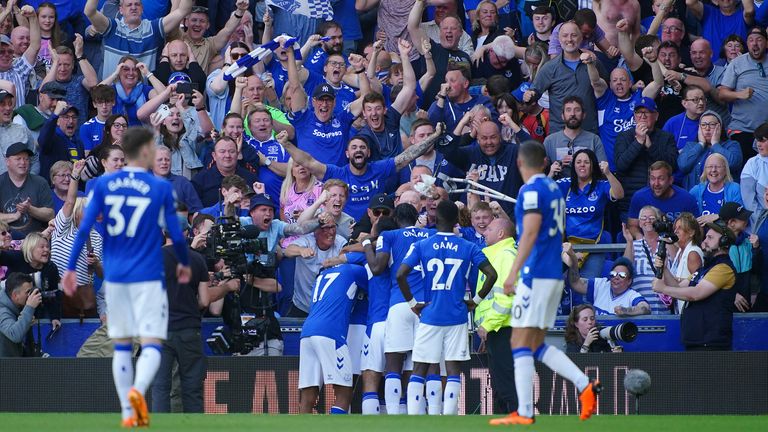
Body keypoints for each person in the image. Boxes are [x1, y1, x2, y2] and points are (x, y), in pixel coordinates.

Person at [62, 127, 191, 428]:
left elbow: (83, 230)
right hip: (147, 275)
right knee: (152, 346)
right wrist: (184, 262)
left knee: (121, 347)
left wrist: (70, 268)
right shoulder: (159, 187)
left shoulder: (104, 185)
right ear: (144, 152)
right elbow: (175, 232)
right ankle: (137, 391)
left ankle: (126, 409)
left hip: (117, 277)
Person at [490, 141, 600, 426]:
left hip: (535, 274)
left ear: (519, 164)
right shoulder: (555, 190)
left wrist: (513, 273)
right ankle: (583, 385)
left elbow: (529, 233)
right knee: (533, 343)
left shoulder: (530, 191)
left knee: (519, 342)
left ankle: (526, 412)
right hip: (553, 275)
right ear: (543, 163)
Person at [399, 200, 497, 415]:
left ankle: (414, 420)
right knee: (453, 369)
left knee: (420, 368)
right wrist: (476, 301)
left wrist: (413, 304)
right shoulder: (468, 246)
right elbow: (492, 274)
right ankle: (451, 419)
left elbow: (400, 274)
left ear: (437, 219)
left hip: (430, 314)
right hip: (457, 315)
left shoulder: (422, 245)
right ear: (455, 220)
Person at [278, 124, 444, 221]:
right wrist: (286, 145)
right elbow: (308, 161)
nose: (359, 150)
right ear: (347, 154)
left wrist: (434, 136)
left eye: (363, 148)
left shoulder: (379, 168)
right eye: (354, 148)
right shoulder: (337, 172)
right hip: (343, 227)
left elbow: (408, 155)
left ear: (369, 153)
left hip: (375, 225)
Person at [361, 203, 433, 415]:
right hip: (426, 306)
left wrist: (366, 243)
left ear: (395, 219)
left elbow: (377, 268)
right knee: (420, 364)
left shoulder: (390, 235)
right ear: (415, 217)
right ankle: (417, 415)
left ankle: (393, 416)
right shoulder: (429, 234)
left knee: (393, 363)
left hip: (400, 303)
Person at [150, 228, 210, 413]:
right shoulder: (197, 259)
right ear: (185, 233)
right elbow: (205, 301)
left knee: (160, 388)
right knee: (192, 389)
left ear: (162, 231)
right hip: (189, 329)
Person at [652, 221, 737, 350]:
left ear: (724, 243)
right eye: (706, 237)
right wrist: (664, 269)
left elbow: (695, 294)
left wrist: (662, 288)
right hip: (696, 339)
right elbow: (679, 287)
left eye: (710, 238)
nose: (705, 241)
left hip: (712, 342)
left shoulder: (723, 268)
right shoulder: (704, 269)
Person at [298, 262, 369, 414]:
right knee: (344, 390)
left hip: (307, 332)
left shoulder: (322, 274)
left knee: (308, 393)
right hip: (331, 332)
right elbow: (377, 286)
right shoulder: (354, 270)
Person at [523, 20, 606, 135]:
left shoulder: (594, 63)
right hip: (560, 134)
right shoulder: (549, 68)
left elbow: (606, 92)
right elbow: (535, 92)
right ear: (559, 39)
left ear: (581, 38)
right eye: (565, 35)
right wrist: (529, 95)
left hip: (588, 132)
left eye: (574, 35)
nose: (569, 39)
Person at [473, 217, 518, 414]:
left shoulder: (506, 255)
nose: (484, 232)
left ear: (501, 234)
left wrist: (488, 325)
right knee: (501, 386)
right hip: (498, 329)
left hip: (504, 329)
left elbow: (507, 297)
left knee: (506, 385)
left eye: (489, 228)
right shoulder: (497, 255)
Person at [556, 149, 624, 278]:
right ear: (574, 166)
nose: (582, 165)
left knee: (587, 288)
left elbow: (619, 194)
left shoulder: (601, 185)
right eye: (579, 162)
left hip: (594, 248)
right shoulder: (566, 184)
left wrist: (608, 173)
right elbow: (542, 190)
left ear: (593, 166)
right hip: (567, 246)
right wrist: (550, 173)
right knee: (559, 285)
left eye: (587, 162)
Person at [84, 0, 194, 78]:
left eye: (137, 4)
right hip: (111, 96)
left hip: (144, 96)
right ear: (121, 9)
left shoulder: (153, 28)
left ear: (142, 8)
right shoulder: (111, 27)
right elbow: (89, 11)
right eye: (129, 5)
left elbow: (183, 10)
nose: (133, 7)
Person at [615, 98, 678, 221]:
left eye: (647, 112)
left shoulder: (666, 137)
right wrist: (638, 142)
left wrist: (650, 147)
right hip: (630, 202)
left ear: (656, 115)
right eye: (639, 112)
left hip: (660, 203)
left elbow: (672, 165)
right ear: (634, 116)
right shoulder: (624, 136)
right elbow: (620, 165)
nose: (642, 116)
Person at [718, 26, 768, 160]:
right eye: (751, 40)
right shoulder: (737, 63)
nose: (755, 44)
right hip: (743, 129)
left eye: (759, 40)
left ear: (766, 43)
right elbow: (722, 93)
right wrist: (739, 94)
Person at [284, 221, 347, 318]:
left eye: (333, 227)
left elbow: (348, 254)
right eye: (326, 228)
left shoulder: (340, 242)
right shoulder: (307, 241)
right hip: (302, 306)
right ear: (315, 231)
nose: (331, 232)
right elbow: (288, 251)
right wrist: (301, 250)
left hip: (328, 307)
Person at [565, 249, 651, 316]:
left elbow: (646, 308)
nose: (616, 277)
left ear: (629, 281)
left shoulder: (631, 295)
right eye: (613, 274)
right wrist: (573, 260)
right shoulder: (601, 285)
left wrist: (625, 310)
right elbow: (576, 283)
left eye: (622, 275)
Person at [623, 205, 672, 315]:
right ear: (639, 223)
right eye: (644, 218)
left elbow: (675, 260)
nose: (648, 221)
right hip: (641, 309)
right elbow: (625, 268)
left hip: (666, 309)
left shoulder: (667, 243)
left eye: (652, 218)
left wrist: (666, 237)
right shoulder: (634, 245)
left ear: (658, 221)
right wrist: (629, 242)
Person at [543, 95, 607, 179]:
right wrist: (557, 165)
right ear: (562, 116)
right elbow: (541, 171)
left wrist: (585, 164)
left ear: (583, 115)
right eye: (568, 110)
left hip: (587, 189)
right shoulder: (549, 141)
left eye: (577, 110)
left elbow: (603, 171)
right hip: (558, 189)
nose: (572, 114)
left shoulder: (594, 139)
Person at [678, 110, 743, 191]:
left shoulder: (732, 145)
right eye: (703, 125)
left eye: (712, 124)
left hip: (723, 197)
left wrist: (715, 144)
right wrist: (700, 144)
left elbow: (733, 164)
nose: (707, 128)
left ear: (720, 127)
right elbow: (683, 165)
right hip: (694, 196)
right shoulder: (690, 146)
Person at [0, 142, 54, 236]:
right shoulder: (1, 182)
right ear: (7, 161)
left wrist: (30, 209)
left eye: (26, 159)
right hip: (5, 242)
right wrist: (15, 216)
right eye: (18, 159)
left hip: (34, 242)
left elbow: (50, 214)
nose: (23, 162)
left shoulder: (40, 182)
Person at [689, 153, 742, 221]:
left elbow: (740, 216)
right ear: (705, 170)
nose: (713, 170)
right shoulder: (696, 190)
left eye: (718, 167)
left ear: (725, 170)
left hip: (724, 230)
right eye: (710, 167)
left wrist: (719, 216)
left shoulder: (734, 189)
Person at [0, 272, 41, 357]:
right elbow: (15, 335)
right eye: (28, 292)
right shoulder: (2, 311)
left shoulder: (16, 306)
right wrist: (29, 307)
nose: (31, 296)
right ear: (15, 295)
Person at [740, 122, 768, 227]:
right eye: (757, 140)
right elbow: (749, 202)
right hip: (761, 223)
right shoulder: (752, 164)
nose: (758, 144)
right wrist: (762, 224)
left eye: (763, 140)